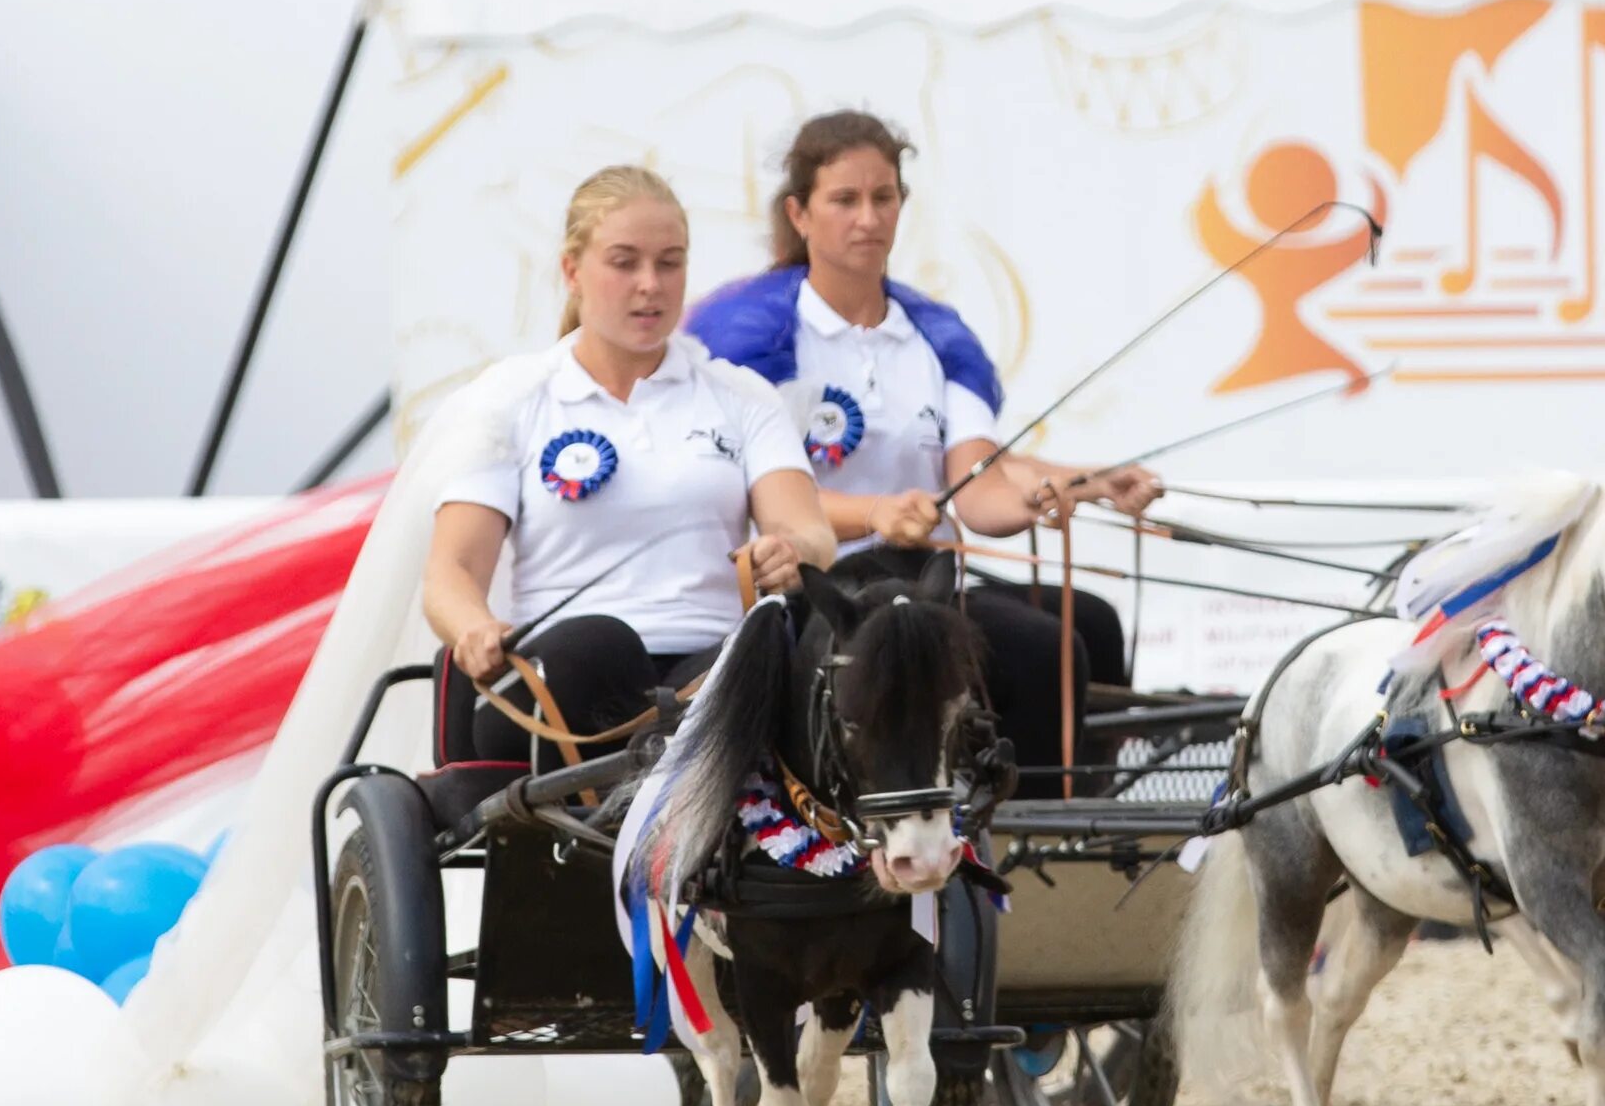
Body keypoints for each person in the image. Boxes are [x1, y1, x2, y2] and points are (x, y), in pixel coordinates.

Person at [683, 111, 1161, 785]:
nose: (868, 217)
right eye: (844, 200)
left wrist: (1084, 483)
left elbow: (980, 489)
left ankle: (1068, 829)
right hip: (826, 588)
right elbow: (758, 492)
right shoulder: (756, 337)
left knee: (1092, 626)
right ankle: (1017, 824)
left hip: (920, 582)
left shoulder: (935, 336)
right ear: (799, 212)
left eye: (884, 197)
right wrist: (875, 513)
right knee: (1040, 646)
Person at [424, 165, 835, 767]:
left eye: (670, 263)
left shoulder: (742, 396)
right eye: (625, 262)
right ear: (572, 271)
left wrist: (792, 550)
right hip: (560, 678)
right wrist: (474, 628)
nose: (651, 284)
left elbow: (812, 533)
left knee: (800, 654)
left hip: (711, 669)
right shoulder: (511, 398)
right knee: (599, 644)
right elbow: (451, 572)